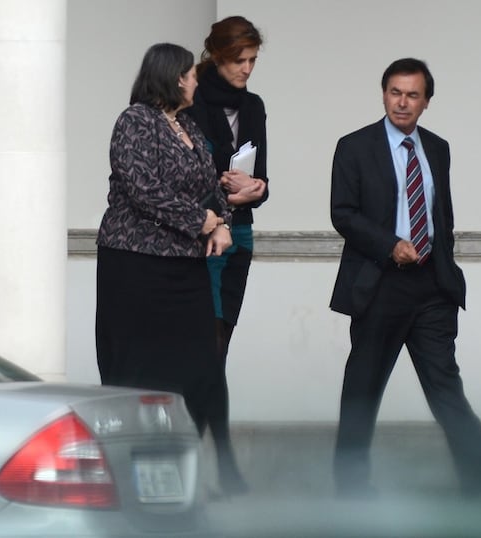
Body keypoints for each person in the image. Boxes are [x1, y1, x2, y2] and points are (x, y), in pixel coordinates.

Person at [328, 58, 481, 499]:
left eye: (412, 95)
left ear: (426, 102)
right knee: (363, 390)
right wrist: (390, 245)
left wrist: (443, 266)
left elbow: (443, 216)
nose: (402, 103)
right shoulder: (354, 146)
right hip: (380, 283)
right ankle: (351, 489)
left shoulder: (437, 148)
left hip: (431, 287)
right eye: (395, 93)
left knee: (446, 387)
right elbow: (343, 213)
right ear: (384, 94)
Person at [96, 43, 232, 435]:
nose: (196, 83)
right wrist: (200, 220)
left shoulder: (188, 125)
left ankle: (191, 448)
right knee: (139, 368)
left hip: (186, 266)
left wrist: (222, 222)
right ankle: (133, 449)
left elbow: (212, 186)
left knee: (201, 364)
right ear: (175, 78)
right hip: (137, 265)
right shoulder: (135, 120)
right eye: (192, 75)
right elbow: (143, 188)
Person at [185, 15, 269, 496]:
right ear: (217, 56)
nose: (247, 69)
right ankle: (217, 467)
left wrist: (256, 188)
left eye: (253, 60)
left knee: (217, 354)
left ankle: (201, 469)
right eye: (239, 60)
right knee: (208, 354)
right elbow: (188, 175)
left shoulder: (254, 105)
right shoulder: (192, 100)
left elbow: (263, 179)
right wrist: (227, 191)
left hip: (240, 238)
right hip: (203, 238)